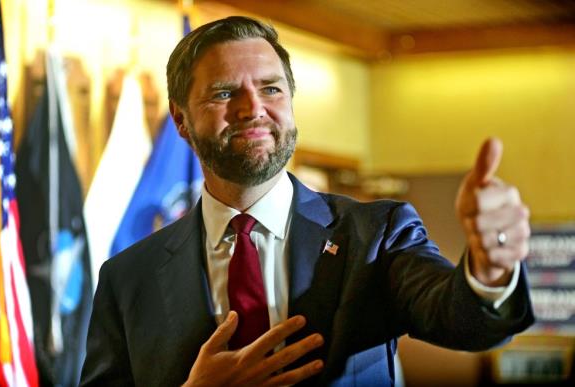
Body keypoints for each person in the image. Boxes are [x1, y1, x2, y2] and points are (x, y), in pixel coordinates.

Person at [80, 16, 534, 386]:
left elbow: (458, 318)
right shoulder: (127, 279)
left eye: (271, 88)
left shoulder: (375, 234)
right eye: (224, 92)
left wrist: (490, 270)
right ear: (180, 119)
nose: (252, 107)